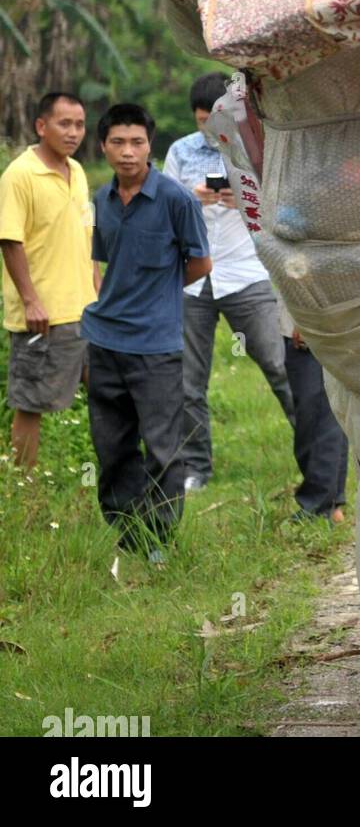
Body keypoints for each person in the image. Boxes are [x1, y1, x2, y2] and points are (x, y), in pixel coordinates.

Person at [82, 104, 211, 561]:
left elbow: (200, 263)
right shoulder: (99, 201)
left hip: (156, 345)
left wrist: (158, 295)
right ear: (104, 147)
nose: (128, 152)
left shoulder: (177, 200)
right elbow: (100, 261)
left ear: (149, 145)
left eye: (136, 142)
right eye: (117, 142)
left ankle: (159, 538)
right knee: (112, 445)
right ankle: (127, 532)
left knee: (162, 448)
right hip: (104, 341)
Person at [163, 73, 295, 492]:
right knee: (188, 381)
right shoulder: (180, 152)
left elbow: (281, 204)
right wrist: (191, 197)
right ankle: (195, 469)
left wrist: (242, 199)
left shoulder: (254, 145)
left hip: (246, 273)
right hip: (191, 280)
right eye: (201, 120)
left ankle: (315, 455)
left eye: (213, 117)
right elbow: (162, 210)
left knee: (279, 363)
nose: (208, 128)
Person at [0, 92, 98, 469]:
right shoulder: (20, 175)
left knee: (106, 394)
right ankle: (25, 488)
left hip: (86, 310)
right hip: (44, 313)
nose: (74, 132)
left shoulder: (77, 172)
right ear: (42, 126)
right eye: (65, 124)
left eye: (79, 124)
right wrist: (30, 300)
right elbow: (10, 240)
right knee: (31, 403)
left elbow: (87, 237)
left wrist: (98, 290)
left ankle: (112, 474)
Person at [280, 301, 349, 524]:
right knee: (322, 414)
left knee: (318, 414)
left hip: (315, 324)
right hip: (305, 323)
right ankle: (331, 502)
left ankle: (318, 506)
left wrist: (307, 320)